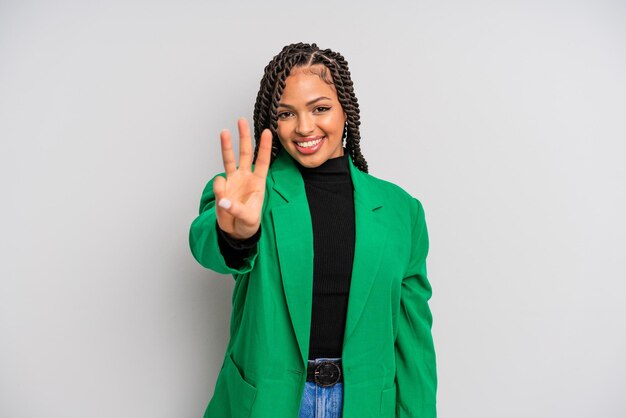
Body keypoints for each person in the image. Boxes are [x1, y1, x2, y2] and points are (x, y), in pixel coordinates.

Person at [189, 42, 437, 418]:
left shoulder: (402, 211)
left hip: (366, 404)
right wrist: (235, 234)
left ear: (346, 112)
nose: (305, 127)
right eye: (287, 114)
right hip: (269, 402)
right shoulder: (251, 192)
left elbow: (414, 339)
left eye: (320, 108)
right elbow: (205, 244)